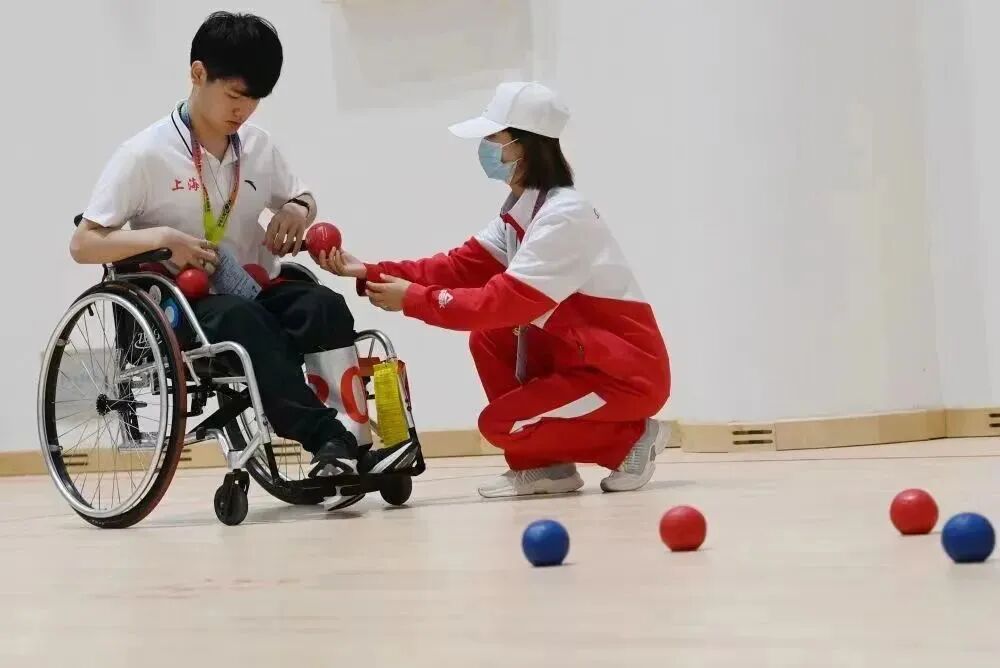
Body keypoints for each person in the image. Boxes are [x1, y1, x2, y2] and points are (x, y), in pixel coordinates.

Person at [69, 11, 417, 504]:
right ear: (198, 73)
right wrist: (163, 237)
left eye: (255, 99)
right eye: (235, 95)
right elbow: (84, 243)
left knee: (322, 306)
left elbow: (302, 196)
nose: (244, 110)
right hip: (184, 304)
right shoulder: (144, 155)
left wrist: (297, 210)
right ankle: (327, 439)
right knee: (242, 320)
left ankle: (356, 443)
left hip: (254, 287)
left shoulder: (257, 146)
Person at [319, 81, 671, 498]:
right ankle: (545, 468)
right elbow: (457, 267)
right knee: (489, 338)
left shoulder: (563, 218)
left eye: (494, 138)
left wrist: (412, 299)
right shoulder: (524, 211)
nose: (485, 148)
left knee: (499, 424)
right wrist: (369, 271)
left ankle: (631, 440)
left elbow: (500, 302)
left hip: (623, 377)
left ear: (525, 146)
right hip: (581, 359)